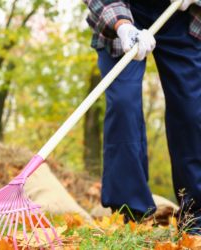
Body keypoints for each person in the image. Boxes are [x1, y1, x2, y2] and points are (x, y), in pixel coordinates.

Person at [83, 0, 201, 231]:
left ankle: (196, 216)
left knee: (191, 111)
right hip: (122, 11)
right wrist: (123, 26)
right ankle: (130, 211)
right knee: (123, 103)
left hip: (181, 16)